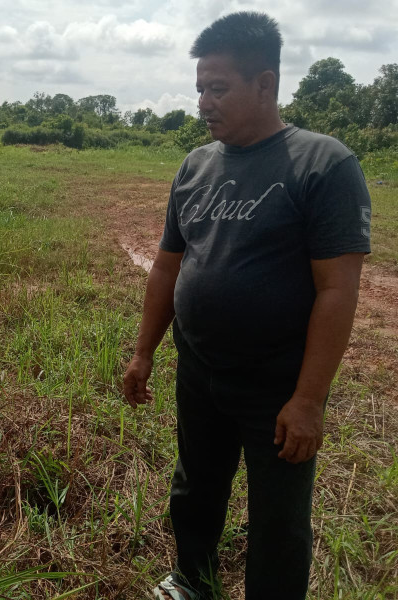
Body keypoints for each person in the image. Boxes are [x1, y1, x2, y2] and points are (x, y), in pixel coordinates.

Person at [122, 12, 371, 600]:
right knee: (196, 487)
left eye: (219, 87)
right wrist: (143, 353)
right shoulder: (197, 165)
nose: (204, 102)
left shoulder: (322, 165)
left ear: (265, 85)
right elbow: (167, 264)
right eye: (200, 88)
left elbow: (338, 290)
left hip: (277, 382)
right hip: (201, 369)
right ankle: (192, 578)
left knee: (279, 516)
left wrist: (308, 400)